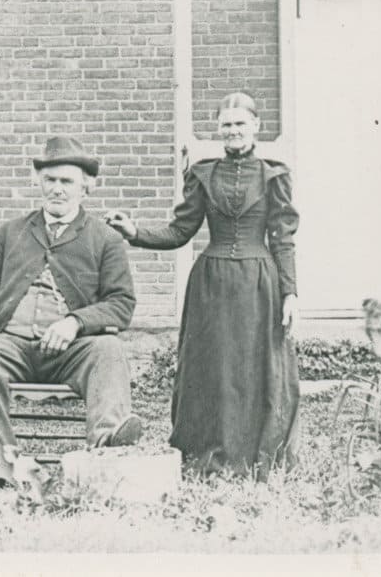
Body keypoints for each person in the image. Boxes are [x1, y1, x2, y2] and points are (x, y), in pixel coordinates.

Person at [107, 92, 300, 477]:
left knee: (253, 366)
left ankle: (251, 453)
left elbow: (282, 239)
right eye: (226, 125)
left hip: (258, 283)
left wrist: (290, 292)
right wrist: (134, 231)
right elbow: (180, 231)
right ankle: (210, 449)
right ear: (218, 130)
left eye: (240, 124)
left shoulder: (274, 176)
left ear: (256, 126)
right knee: (214, 368)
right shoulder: (203, 174)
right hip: (210, 284)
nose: (233, 131)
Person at [0, 135, 141, 492]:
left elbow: (121, 303)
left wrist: (75, 321)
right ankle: (1, 474)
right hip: (11, 344)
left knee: (109, 351)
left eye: (66, 181)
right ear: (38, 182)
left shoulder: (105, 238)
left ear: (86, 186)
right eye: (49, 180)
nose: (57, 189)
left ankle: (107, 448)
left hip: (73, 350)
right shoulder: (13, 232)